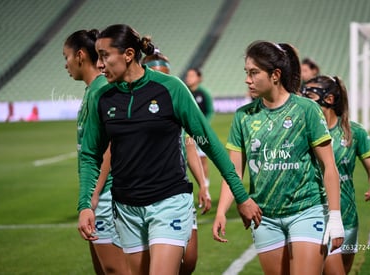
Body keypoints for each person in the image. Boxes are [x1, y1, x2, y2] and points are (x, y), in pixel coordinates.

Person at [80, 24, 261, 275]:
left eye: (104, 56)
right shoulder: (103, 98)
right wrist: (85, 205)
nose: (99, 65)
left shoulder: (170, 88)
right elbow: (90, 155)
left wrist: (241, 196)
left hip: (169, 201)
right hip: (126, 208)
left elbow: (210, 143)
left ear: (129, 54)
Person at [212, 40, 344, 275]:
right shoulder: (243, 116)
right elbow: (233, 172)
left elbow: (329, 167)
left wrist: (335, 217)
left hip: (307, 210)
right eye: (246, 73)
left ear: (275, 75)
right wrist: (222, 210)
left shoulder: (306, 109)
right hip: (265, 218)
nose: (247, 80)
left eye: (254, 73)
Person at [63, 29, 130, 275]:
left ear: (80, 56)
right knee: (103, 270)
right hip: (99, 194)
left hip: (105, 194)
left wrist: (93, 195)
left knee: (115, 269)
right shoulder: (92, 89)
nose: (65, 64)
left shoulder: (102, 88)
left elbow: (109, 147)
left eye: (66, 57)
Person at [302, 75, 370, 274]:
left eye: (309, 95)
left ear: (328, 99)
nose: (303, 101)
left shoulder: (354, 132)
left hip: (347, 219)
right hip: (312, 216)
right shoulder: (303, 132)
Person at [141, 50, 211, 275]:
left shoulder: (174, 99)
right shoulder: (133, 107)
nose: (162, 80)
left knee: (189, 260)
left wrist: (203, 184)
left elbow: (190, 144)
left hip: (177, 189)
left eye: (166, 74)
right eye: (157, 73)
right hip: (144, 192)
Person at [184, 68, 214, 190]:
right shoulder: (185, 92)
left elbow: (210, 111)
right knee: (187, 158)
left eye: (192, 75)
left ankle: (205, 185)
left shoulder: (204, 93)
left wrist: (202, 125)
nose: (188, 78)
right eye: (188, 75)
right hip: (187, 132)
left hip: (200, 132)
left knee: (202, 158)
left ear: (199, 78)